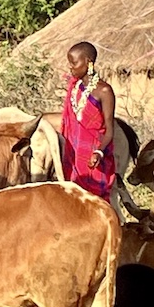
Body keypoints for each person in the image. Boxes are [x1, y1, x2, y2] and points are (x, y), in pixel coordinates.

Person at [62, 41, 116, 202]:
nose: (71, 68)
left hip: (93, 156)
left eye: (74, 63)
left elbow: (109, 129)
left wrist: (99, 152)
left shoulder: (104, 91)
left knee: (95, 203)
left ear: (88, 62)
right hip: (73, 155)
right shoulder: (75, 88)